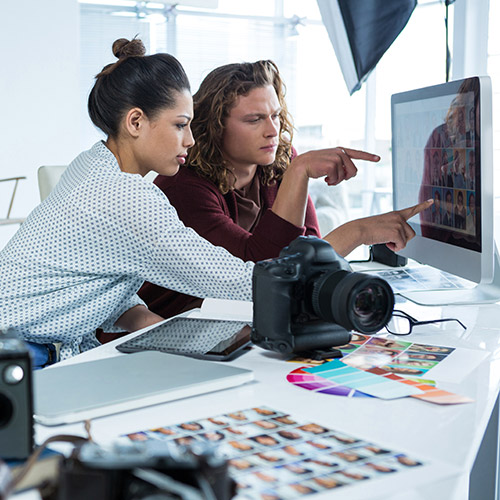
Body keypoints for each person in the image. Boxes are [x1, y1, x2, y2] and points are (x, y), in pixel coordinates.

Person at [0, 38, 256, 366]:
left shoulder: (91, 162)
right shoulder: (126, 197)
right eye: (180, 125)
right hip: (18, 357)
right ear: (135, 122)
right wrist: (316, 287)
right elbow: (226, 278)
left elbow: (90, 266)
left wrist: (137, 315)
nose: (190, 140)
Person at [138, 60, 432, 318]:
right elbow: (265, 274)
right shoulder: (182, 187)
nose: (272, 131)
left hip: (237, 323)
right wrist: (358, 232)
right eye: (254, 120)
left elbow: (311, 259)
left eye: (275, 116)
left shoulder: (279, 162)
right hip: (165, 331)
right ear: (215, 126)